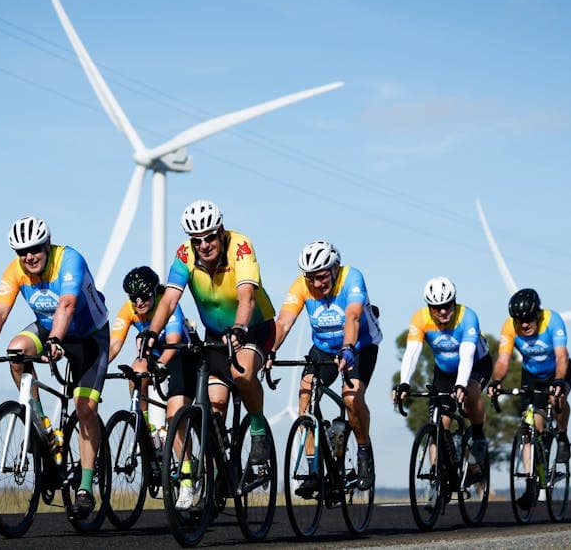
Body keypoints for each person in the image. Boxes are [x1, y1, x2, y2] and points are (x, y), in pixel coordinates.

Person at [0, 216, 110, 519]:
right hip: (48, 329)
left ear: (47, 245)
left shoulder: (69, 260)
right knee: (16, 351)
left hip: (88, 336)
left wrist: (57, 339)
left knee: (84, 409)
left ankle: (85, 487)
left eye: (34, 249)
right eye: (22, 252)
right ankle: (43, 425)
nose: (29, 257)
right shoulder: (16, 270)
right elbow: (0, 309)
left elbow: (67, 305)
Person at [140, 199, 277, 474]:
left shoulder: (240, 247)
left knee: (241, 374)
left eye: (210, 237)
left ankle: (259, 429)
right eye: (197, 240)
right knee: (213, 411)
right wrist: (152, 332)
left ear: (221, 231)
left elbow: (247, 298)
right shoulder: (184, 255)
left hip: (253, 328)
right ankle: (218, 474)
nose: (204, 245)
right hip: (215, 335)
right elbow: (168, 301)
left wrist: (239, 328)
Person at [268, 240, 383, 493]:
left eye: (321, 277)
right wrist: (269, 351)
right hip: (323, 349)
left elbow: (352, 316)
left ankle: (364, 452)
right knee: (305, 398)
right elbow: (284, 323)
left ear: (335, 268)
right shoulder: (302, 286)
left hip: (360, 345)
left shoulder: (351, 278)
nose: (317, 284)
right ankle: (314, 470)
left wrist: (348, 348)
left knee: (351, 399)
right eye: (311, 279)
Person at [392, 276, 493, 476]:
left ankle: (478, 435)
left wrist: (461, 385)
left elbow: (467, 354)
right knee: (439, 425)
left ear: (454, 301)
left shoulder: (467, 317)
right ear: (429, 307)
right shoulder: (420, 319)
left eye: (447, 305)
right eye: (437, 307)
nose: (443, 311)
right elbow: (412, 352)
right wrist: (404, 383)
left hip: (476, 364)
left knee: (471, 393)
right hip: (444, 371)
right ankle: (437, 478)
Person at [107, 266, 192, 448]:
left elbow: (172, 341)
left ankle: (186, 470)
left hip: (179, 355)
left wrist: (160, 365)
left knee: (174, 415)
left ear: (155, 291)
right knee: (136, 370)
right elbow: (114, 345)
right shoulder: (129, 309)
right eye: (133, 298)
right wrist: (97, 367)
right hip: (155, 355)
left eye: (144, 297)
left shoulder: (166, 304)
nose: (138, 303)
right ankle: (146, 427)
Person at [488, 288, 571, 466]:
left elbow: (561, 356)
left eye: (528, 320)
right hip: (531, 374)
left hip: (558, 370)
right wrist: (496, 381)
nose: (524, 325)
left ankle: (563, 436)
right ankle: (532, 484)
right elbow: (503, 361)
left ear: (538, 314)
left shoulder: (552, 320)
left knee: (556, 398)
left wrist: (558, 381)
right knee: (530, 428)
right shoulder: (509, 327)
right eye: (519, 321)